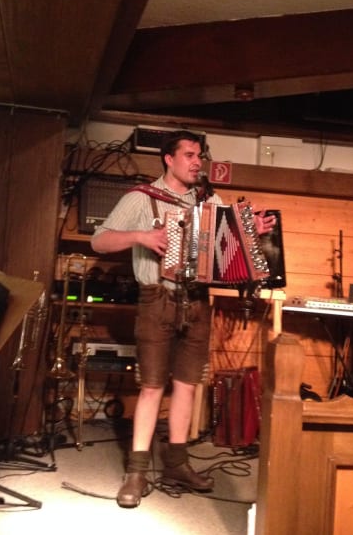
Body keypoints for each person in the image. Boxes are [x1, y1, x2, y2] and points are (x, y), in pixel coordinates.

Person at [91, 131, 276, 508]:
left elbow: (227, 251)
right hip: (156, 299)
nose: (197, 162)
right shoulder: (141, 197)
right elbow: (99, 241)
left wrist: (250, 234)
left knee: (187, 386)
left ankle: (176, 463)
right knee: (151, 387)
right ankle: (136, 472)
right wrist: (142, 236)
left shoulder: (210, 202)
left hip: (197, 301)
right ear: (168, 158)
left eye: (199, 156)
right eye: (189, 155)